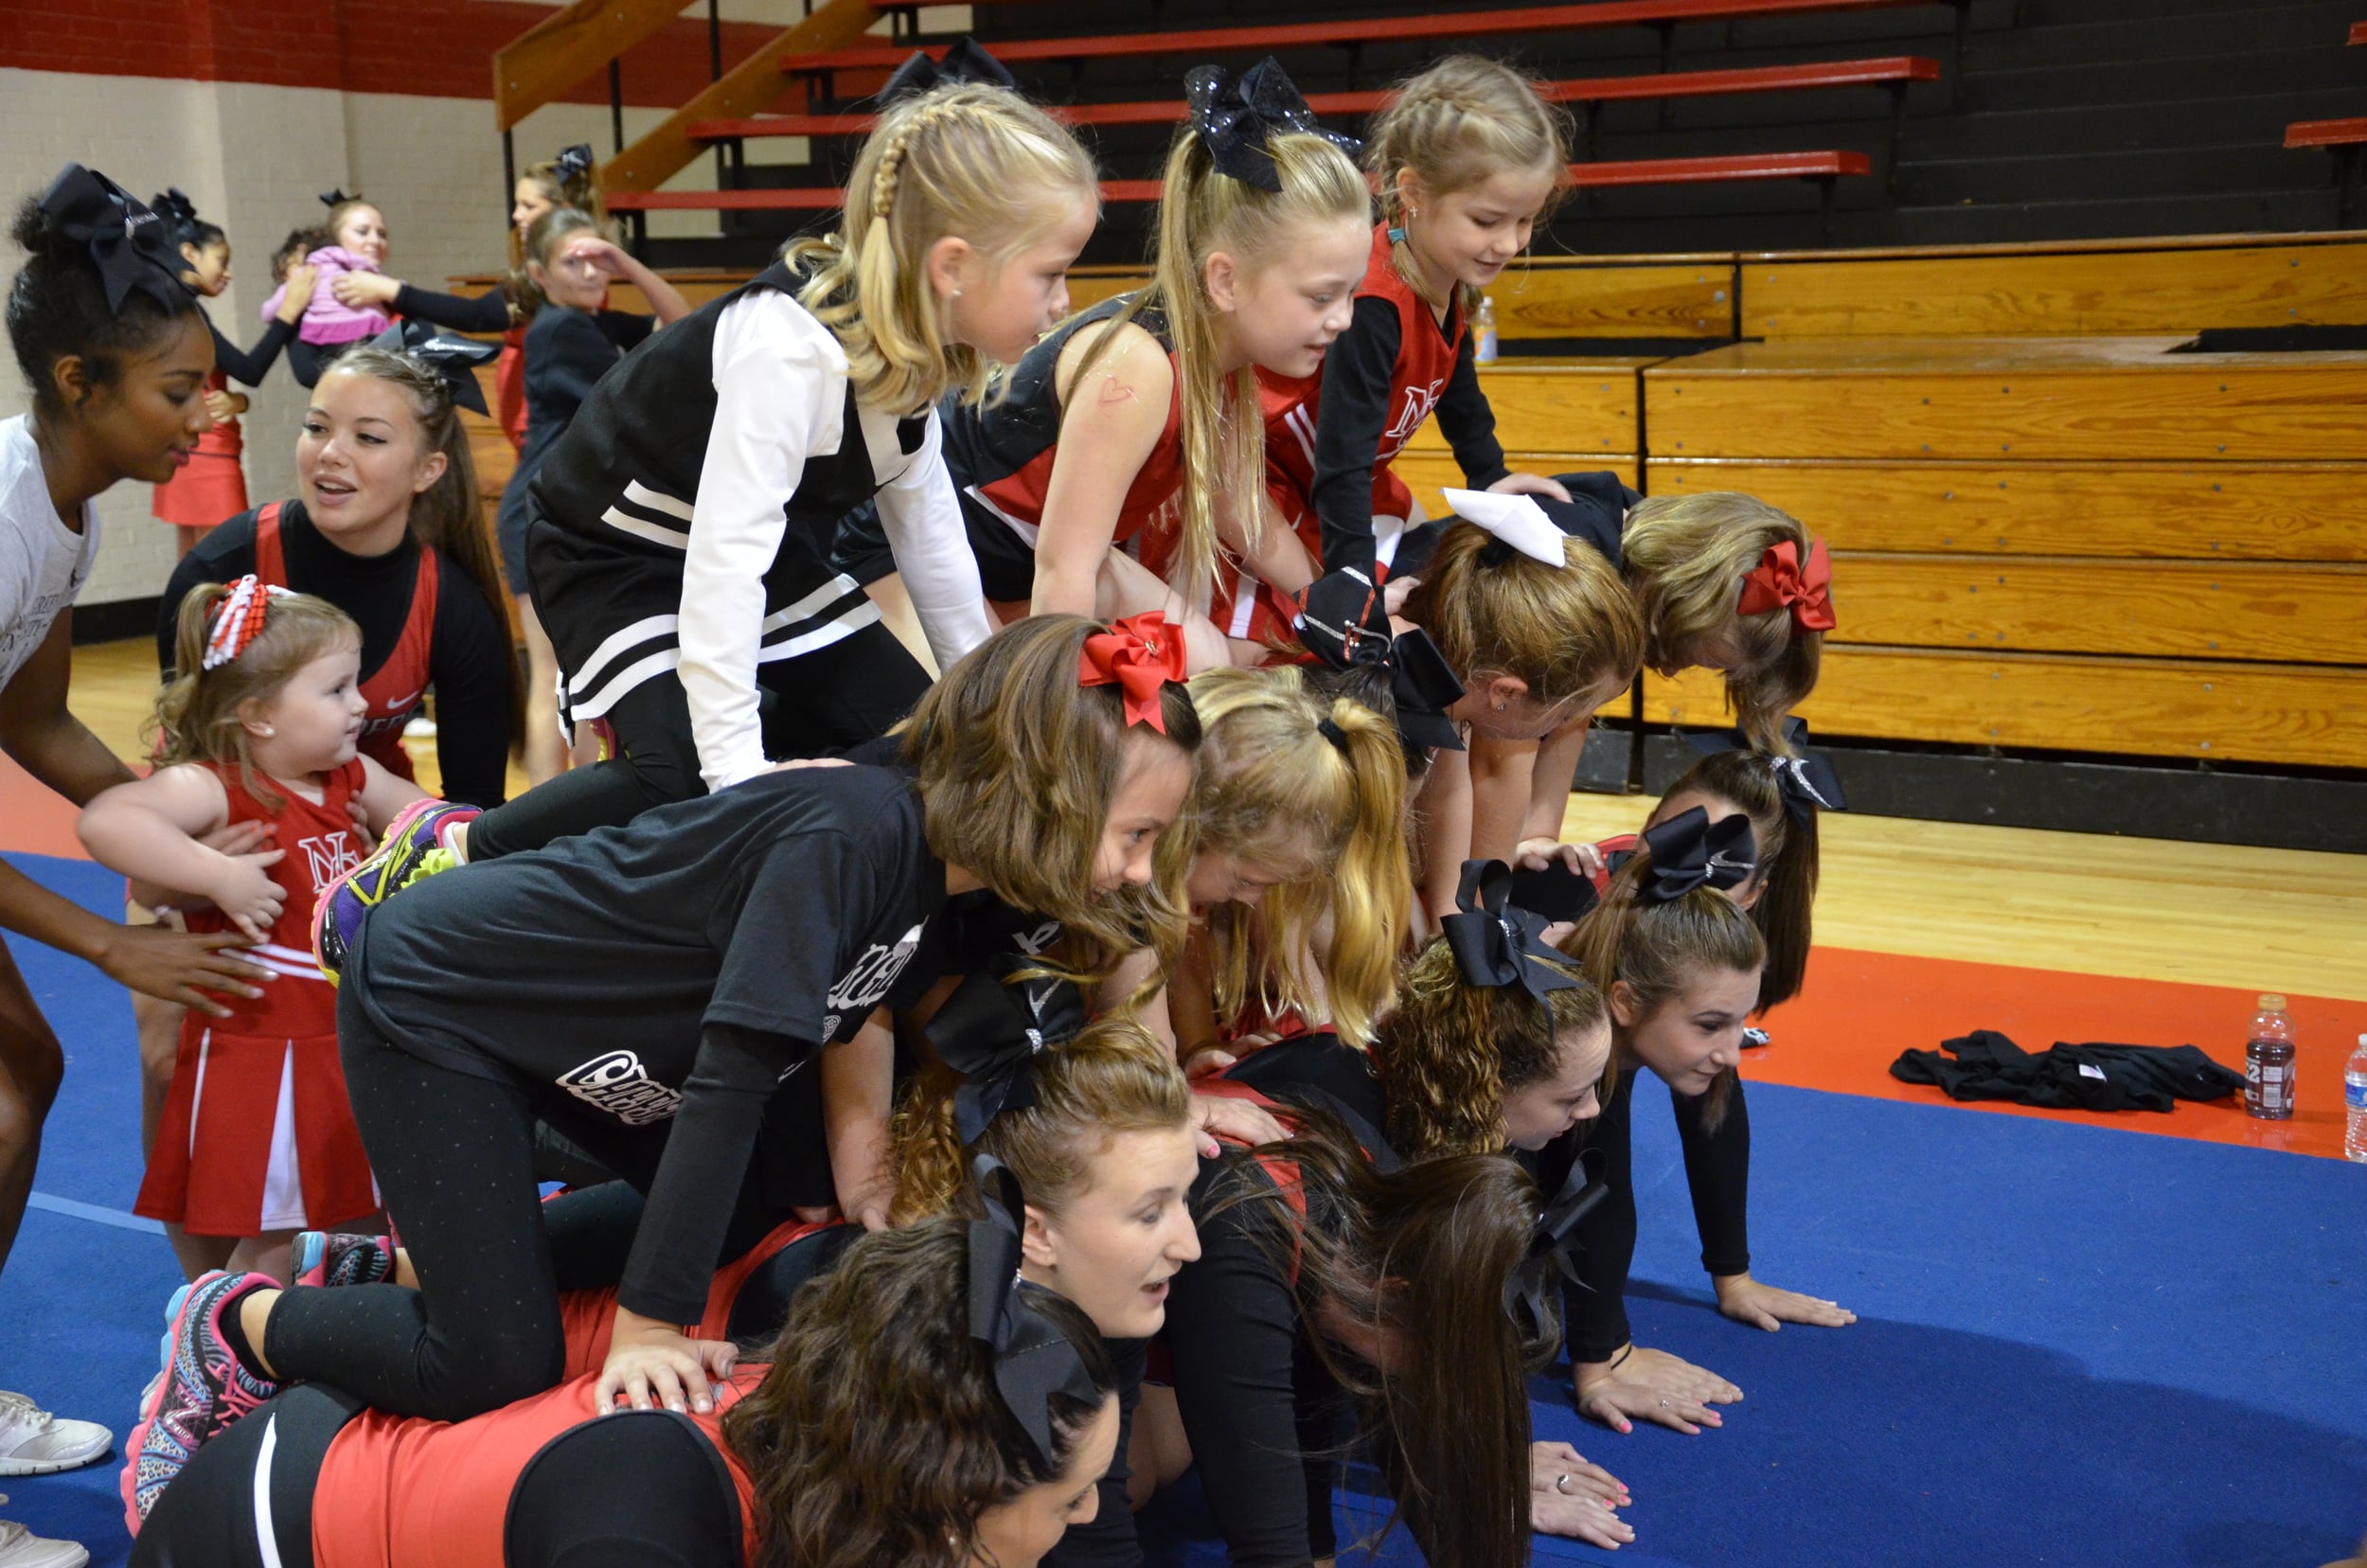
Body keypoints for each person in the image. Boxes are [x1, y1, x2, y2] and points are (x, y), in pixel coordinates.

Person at [124, 615, 1197, 1513]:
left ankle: (389, 1271)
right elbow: (732, 1079)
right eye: (1135, 836)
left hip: (591, 1034)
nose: (1137, 869)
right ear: (1043, 796)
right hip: (442, 1003)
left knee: (774, 1195)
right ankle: (235, 1329)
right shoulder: (854, 838)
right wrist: (649, 1324)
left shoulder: (952, 873)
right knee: (497, 1363)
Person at [358, 78, 1099, 871]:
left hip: (748, 559)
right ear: (952, 266)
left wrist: (990, 703)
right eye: (1049, 274)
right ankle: (455, 842)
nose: (1061, 303)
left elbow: (933, 543)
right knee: (682, 772)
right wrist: (739, 777)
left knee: (920, 728)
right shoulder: (788, 348)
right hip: (614, 554)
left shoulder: (914, 357)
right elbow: (724, 566)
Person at [0, 162, 275, 1564]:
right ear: (77, 378)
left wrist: (198, 827)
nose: (206, 413)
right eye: (177, 391)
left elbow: (35, 722)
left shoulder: (68, 509)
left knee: (22, 1080)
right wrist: (114, 940)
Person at [128, 1206, 1120, 1568]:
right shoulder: (650, 1515)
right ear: (953, 1492)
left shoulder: (856, 1445)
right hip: (253, 1530)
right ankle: (241, 1334)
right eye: (1070, 1497)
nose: (1086, 1520)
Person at [1202, 861, 1634, 1552]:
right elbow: (1284, 1415)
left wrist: (1486, 1472)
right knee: (1148, 1471)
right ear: (1488, 1081)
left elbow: (1390, 1355)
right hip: (1159, 1310)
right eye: (1570, 1096)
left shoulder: (1433, 1116)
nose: (1590, 1112)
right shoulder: (1306, 1194)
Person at [934, 58, 1370, 668]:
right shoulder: (1138, 368)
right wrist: (1050, 719)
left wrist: (1329, 606)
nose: (1343, 318)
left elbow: (1238, 508)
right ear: (1226, 280)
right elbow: (1064, 567)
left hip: (1026, 549)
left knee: (1209, 663)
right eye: (1321, 297)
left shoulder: (1221, 360)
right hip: (940, 543)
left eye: (1352, 293)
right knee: (989, 718)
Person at [80, 583, 428, 1283]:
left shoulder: (347, 777)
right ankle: (216, 1345)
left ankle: (332, 1350)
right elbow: (108, 820)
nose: (361, 704)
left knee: (365, 1221)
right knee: (273, 1240)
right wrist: (213, 873)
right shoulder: (218, 788)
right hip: (267, 1056)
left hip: (346, 1040)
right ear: (257, 716)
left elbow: (439, 821)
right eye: (335, 690)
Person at [1548, 806, 1855, 1440]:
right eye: (1712, 1026)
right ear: (1625, 1001)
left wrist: (1729, 1273)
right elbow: (1589, 1190)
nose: (1732, 1053)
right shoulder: (1556, 1057)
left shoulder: (1617, 1020)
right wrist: (1602, 1361)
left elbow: (1601, 1188)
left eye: (1741, 1025)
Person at [1245, 55, 1575, 643]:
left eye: (1525, 220)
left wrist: (1491, 478)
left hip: (1346, 494)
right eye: (1487, 219)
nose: (1509, 243)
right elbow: (1340, 462)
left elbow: (1458, 391)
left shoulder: (1448, 270)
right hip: (1275, 498)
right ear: (1413, 193)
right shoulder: (1373, 305)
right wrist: (1352, 581)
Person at [1153, 1113, 1556, 1568]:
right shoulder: (1241, 1253)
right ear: (1393, 1298)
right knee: (1147, 1466)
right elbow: (1268, 1544)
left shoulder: (1381, 1222)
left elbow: (1331, 1390)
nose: (1428, 1386)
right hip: (1082, 1344)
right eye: (1435, 1368)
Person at [894, 994, 1205, 1567]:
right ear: (1035, 1231)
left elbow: (1101, 1524)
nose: (1191, 1246)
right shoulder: (947, 1357)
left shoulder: (1106, 1298)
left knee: (1151, 1458)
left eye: (1184, 1198)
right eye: (1150, 1213)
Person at [500, 205, 692, 784]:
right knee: (559, 678)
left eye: (597, 261)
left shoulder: (592, 326)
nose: (590, 273)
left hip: (569, 513)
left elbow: (685, 323)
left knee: (576, 678)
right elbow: (631, 402)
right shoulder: (560, 328)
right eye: (573, 261)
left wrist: (627, 263)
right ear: (538, 273)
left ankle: (568, 825)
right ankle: (549, 823)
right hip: (541, 514)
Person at [1393, 504, 1645, 919]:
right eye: (1563, 717)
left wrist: (1460, 933)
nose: (1564, 730)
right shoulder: (1387, 701)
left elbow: (1448, 810)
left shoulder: (1449, 687)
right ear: (1505, 694)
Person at [1153, 663, 1411, 1061]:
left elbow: (1177, 938)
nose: (1250, 899)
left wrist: (1198, 1046)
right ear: (1190, 827)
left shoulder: (1175, 873)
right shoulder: (1131, 876)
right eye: (1243, 880)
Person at [330, 141, 617, 452]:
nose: (517, 214)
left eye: (529, 206)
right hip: (534, 421)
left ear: (563, 212)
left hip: (549, 425)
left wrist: (392, 290)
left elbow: (479, 315)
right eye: (518, 204)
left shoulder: (564, 272)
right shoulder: (548, 266)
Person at [147, 189, 318, 553]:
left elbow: (228, 378)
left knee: (195, 565)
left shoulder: (174, 304)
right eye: (221, 261)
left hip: (188, 447)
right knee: (222, 565)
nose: (228, 273)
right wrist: (289, 311)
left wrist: (238, 400)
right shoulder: (183, 308)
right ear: (189, 254)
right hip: (205, 451)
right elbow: (248, 369)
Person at [267, 192, 395, 384]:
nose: (375, 241)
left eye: (382, 233)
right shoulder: (311, 308)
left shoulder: (397, 297)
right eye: (362, 231)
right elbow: (309, 374)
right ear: (336, 242)